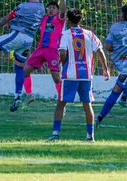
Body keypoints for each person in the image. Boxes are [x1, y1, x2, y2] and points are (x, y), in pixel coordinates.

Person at [46, 8, 110, 143]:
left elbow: (62, 53)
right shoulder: (89, 34)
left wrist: (63, 64)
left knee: (61, 104)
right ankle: (90, 136)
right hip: (86, 75)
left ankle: (56, 134)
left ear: (68, 20)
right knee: (87, 105)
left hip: (70, 75)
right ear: (81, 19)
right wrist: (105, 68)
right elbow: (100, 51)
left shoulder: (65, 34)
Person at [22, 0, 67, 106]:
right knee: (25, 70)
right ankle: (29, 94)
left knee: (56, 77)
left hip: (52, 50)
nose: (51, 9)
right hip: (41, 49)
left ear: (57, 10)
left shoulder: (59, 19)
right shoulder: (43, 17)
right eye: (49, 7)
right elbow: (36, 5)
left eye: (54, 7)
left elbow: (63, 10)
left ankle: (62, 99)